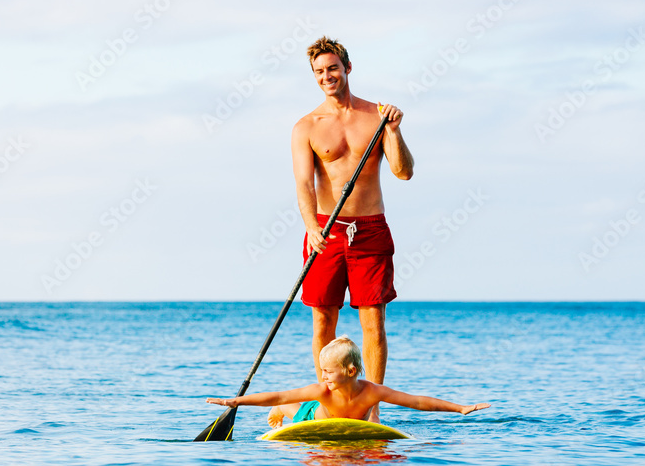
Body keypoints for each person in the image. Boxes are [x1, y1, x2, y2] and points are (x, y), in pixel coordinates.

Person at [291, 36, 415, 422]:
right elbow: (304, 185)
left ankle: (370, 408)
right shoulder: (306, 126)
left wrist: (392, 130)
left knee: (373, 323)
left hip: (370, 230)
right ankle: (329, 405)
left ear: (347, 68)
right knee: (323, 320)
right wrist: (312, 228)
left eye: (332, 68)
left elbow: (404, 171)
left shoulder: (376, 116)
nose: (326, 76)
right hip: (326, 231)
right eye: (319, 72)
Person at [206, 336, 489, 426]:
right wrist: (237, 402)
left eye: (328, 371)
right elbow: (278, 396)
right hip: (312, 419)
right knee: (292, 408)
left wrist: (460, 408)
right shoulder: (321, 389)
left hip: (344, 419)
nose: (323, 376)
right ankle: (282, 416)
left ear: (351, 371)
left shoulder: (372, 392)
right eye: (322, 370)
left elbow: (415, 401)